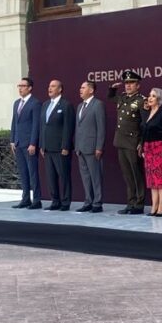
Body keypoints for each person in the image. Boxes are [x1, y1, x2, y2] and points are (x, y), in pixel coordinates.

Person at [107, 70, 146, 215]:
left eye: (131, 83)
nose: (128, 86)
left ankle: (139, 204)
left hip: (133, 141)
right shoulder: (122, 98)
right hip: (120, 141)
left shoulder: (142, 100)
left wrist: (141, 142)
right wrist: (113, 88)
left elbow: (144, 123)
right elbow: (110, 97)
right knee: (127, 174)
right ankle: (130, 203)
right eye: (126, 83)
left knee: (136, 173)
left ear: (138, 85)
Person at [40, 79, 74, 211]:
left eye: (53, 86)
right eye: (49, 86)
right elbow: (43, 126)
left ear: (60, 89)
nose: (50, 88)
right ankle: (55, 201)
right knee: (50, 176)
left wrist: (65, 146)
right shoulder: (45, 105)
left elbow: (68, 127)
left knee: (63, 176)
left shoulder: (66, 105)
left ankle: (65, 202)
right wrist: (42, 145)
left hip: (60, 148)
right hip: (48, 148)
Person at [9, 76, 43, 210]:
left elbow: (36, 125)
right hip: (18, 143)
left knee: (32, 172)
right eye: (19, 86)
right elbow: (14, 123)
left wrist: (33, 143)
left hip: (29, 144)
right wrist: (12, 140)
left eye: (23, 86)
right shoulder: (16, 103)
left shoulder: (35, 103)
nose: (20, 88)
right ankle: (25, 199)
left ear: (30, 88)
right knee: (23, 172)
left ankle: (37, 200)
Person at [141, 88, 162, 217]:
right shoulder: (147, 113)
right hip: (148, 148)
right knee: (151, 180)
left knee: (160, 179)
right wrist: (143, 148)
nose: (149, 98)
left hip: (159, 147)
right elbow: (143, 131)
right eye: (149, 95)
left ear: (159, 99)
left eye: (153, 96)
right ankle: (154, 206)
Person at [72, 81, 105, 213]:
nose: (80, 89)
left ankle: (97, 202)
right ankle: (88, 201)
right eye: (80, 87)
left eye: (83, 87)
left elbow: (101, 127)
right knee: (85, 177)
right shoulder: (80, 106)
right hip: (81, 147)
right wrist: (76, 146)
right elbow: (78, 127)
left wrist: (99, 147)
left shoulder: (98, 105)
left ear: (91, 90)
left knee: (95, 176)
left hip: (92, 147)